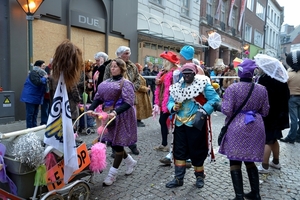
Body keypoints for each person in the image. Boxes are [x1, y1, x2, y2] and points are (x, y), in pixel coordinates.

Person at [219, 59, 270, 200]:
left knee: (235, 160)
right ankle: (256, 193)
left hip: (237, 127)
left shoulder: (232, 88)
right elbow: (265, 111)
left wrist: (219, 105)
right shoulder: (262, 89)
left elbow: (227, 110)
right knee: (250, 160)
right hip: (256, 126)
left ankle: (239, 196)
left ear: (240, 72)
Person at [165, 63, 220, 188]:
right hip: (179, 123)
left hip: (195, 123)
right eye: (184, 73)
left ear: (194, 73)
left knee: (197, 151)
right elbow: (170, 101)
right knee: (179, 151)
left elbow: (215, 99)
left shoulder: (202, 84)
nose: (187, 76)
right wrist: (173, 107)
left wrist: (203, 111)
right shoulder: (177, 87)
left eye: (189, 73)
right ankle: (178, 178)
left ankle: (199, 177)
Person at [87, 58, 137, 186]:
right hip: (107, 115)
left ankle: (112, 174)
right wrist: (91, 108)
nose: (112, 68)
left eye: (115, 66)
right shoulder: (104, 83)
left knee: (117, 144)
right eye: (111, 66)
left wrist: (116, 112)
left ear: (122, 68)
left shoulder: (126, 83)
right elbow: (98, 98)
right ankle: (131, 162)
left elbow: (128, 102)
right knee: (114, 143)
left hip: (122, 116)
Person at [104, 46, 140, 155]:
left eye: (129, 53)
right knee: (115, 125)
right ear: (120, 54)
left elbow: (137, 79)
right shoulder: (111, 65)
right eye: (126, 53)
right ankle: (116, 149)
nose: (128, 55)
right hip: (115, 101)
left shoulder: (133, 66)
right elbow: (106, 81)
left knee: (129, 124)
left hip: (129, 100)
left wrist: (131, 88)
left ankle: (132, 145)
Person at [255, 67, 290, 174]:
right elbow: (287, 96)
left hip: (268, 114)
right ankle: (275, 161)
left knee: (268, 140)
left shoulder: (264, 80)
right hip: (280, 113)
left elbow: (259, 97)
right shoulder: (282, 80)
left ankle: (264, 166)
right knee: (274, 138)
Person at [49, 40, 82, 123]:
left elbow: (51, 92)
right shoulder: (69, 76)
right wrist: (79, 100)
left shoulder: (54, 75)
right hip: (69, 110)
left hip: (57, 109)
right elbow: (74, 92)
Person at [153, 51, 179, 152]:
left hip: (169, 100)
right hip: (163, 99)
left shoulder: (174, 72)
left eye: (165, 60)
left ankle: (166, 144)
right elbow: (161, 83)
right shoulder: (165, 71)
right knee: (163, 121)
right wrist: (157, 82)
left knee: (164, 121)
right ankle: (165, 144)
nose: (163, 62)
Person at [20, 60, 48, 128]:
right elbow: (37, 83)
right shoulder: (34, 73)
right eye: (43, 66)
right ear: (38, 66)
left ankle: (34, 128)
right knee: (30, 114)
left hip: (36, 97)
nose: (44, 67)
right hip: (30, 97)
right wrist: (45, 79)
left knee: (35, 114)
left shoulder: (40, 73)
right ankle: (29, 129)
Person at [280, 50, 300, 144]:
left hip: (292, 98)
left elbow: (283, 86)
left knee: (293, 119)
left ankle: (291, 137)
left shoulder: (289, 74)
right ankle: (298, 135)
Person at [135, 63, 152, 127]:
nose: (141, 70)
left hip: (140, 95)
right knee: (138, 108)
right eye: (140, 69)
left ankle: (139, 120)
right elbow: (138, 86)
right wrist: (146, 89)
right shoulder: (136, 77)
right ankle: (137, 120)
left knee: (140, 108)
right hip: (138, 95)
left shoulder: (137, 75)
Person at [40, 59, 52, 125]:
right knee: (45, 108)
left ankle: (47, 122)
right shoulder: (46, 70)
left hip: (50, 93)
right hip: (46, 93)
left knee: (49, 108)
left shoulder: (50, 69)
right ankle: (44, 122)